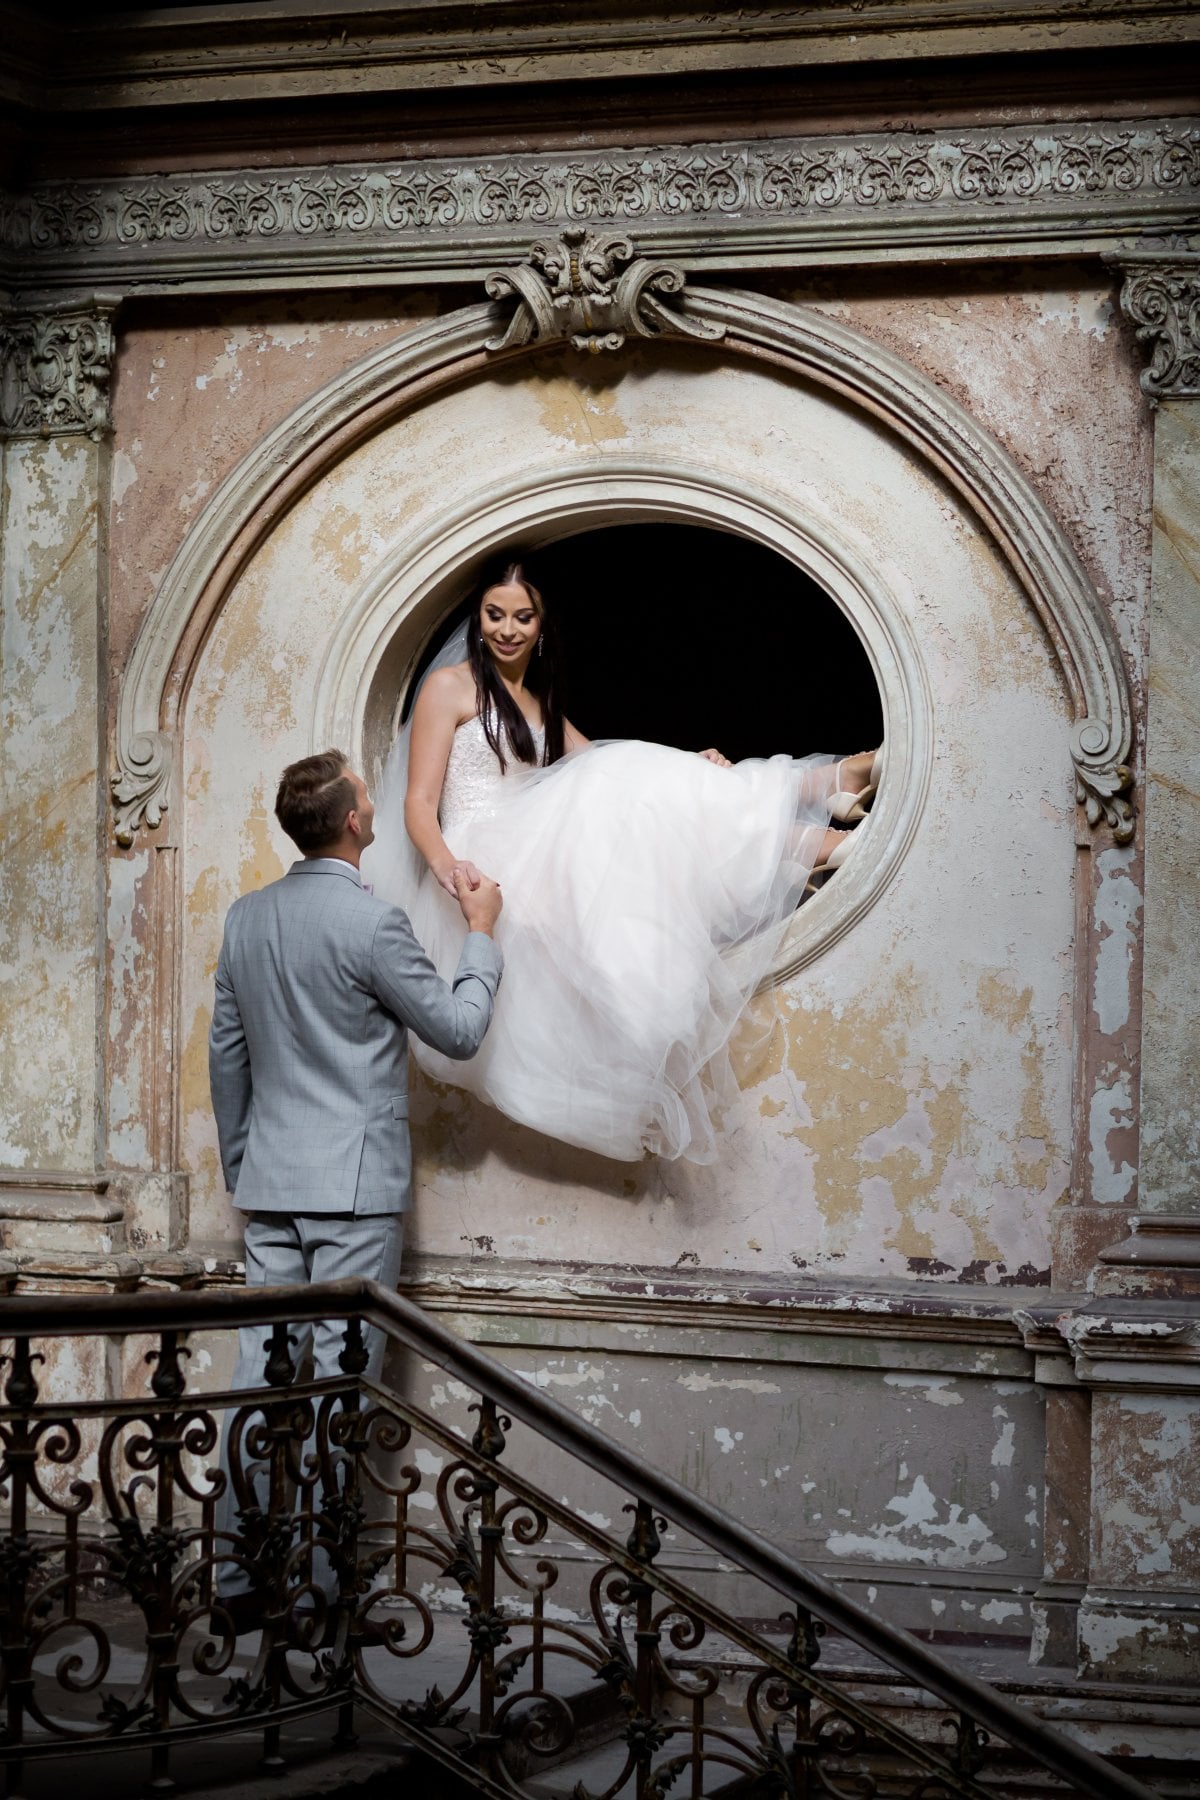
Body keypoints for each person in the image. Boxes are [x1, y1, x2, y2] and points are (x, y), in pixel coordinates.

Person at [368, 554, 879, 1166]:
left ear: (542, 624)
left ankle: (821, 821)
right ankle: (827, 794)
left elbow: (615, 762)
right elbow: (419, 804)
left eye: (522, 617)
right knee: (616, 787)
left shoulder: (538, 704)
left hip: (533, 848)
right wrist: (450, 868)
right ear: (478, 620)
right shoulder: (448, 686)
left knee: (632, 784)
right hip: (480, 861)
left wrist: (700, 771)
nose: (507, 629)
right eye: (494, 615)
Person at [208, 748, 503, 1622]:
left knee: (259, 1393)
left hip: (272, 1186)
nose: (377, 802)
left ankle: (234, 1585)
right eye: (369, 795)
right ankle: (319, 1594)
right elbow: (455, 1030)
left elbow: (227, 1059)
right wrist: (482, 933)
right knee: (340, 1397)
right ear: (353, 822)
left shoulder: (246, 918)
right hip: (354, 1196)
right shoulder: (371, 926)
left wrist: (245, 1166)